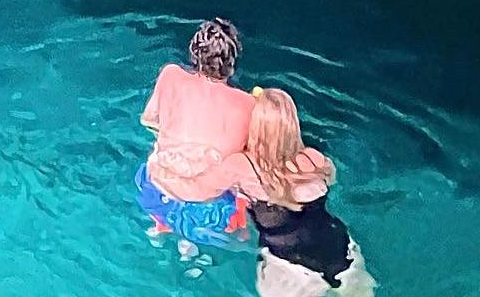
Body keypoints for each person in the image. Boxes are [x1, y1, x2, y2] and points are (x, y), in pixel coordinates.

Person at [202, 87, 374, 295]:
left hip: (288, 267)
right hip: (340, 250)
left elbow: (202, 190)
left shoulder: (241, 166)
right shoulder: (315, 158)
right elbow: (332, 180)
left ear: (255, 125)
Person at [135, 17, 256, 245]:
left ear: (195, 54)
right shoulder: (248, 104)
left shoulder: (170, 75)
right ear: (231, 62)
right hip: (210, 211)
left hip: (154, 192)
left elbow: (149, 121)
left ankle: (164, 225)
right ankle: (190, 240)